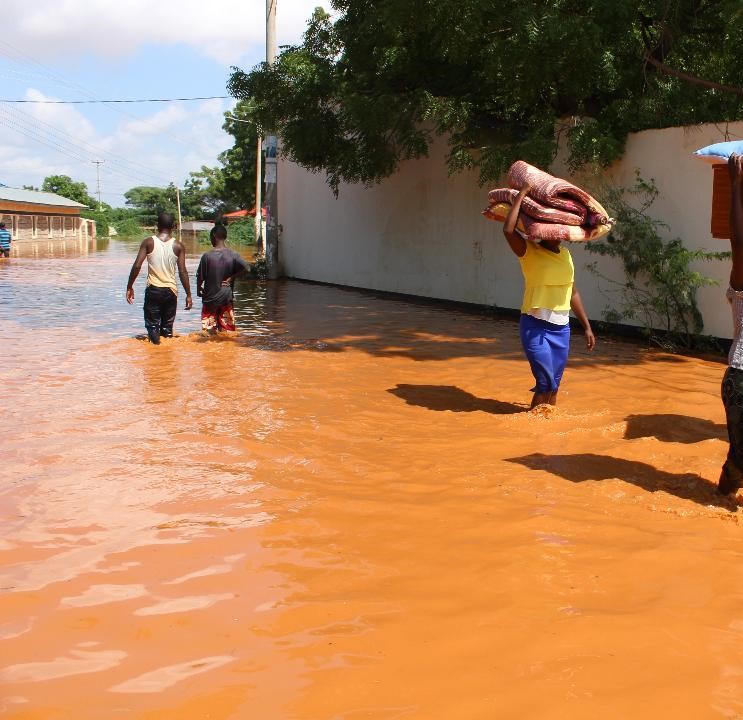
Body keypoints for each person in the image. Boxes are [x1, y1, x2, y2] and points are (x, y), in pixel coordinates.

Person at [502, 184, 596, 409]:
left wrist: (587, 326)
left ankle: (546, 428)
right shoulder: (529, 251)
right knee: (544, 382)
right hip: (535, 326)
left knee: (554, 384)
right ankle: (531, 426)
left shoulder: (566, 256)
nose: (559, 234)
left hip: (561, 329)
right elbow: (508, 231)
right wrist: (522, 195)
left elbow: (572, 291)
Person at [125, 212, 192, 344]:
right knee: (167, 329)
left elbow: (137, 265)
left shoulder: (149, 242)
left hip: (153, 290)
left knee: (152, 326)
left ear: (157, 225)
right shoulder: (178, 246)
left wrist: (129, 286)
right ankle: (166, 358)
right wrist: (188, 294)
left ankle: (155, 354)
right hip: (171, 291)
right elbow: (183, 272)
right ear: (173, 226)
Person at [718, 154, 743, 495]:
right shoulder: (741, 284)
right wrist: (736, 185)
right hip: (742, 381)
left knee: (739, 459)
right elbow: (738, 243)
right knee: (741, 459)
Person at [196, 223, 249, 332]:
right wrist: (231, 278)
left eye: (211, 236)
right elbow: (247, 268)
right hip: (226, 298)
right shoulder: (234, 255)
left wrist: (198, 289)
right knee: (227, 332)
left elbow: (200, 278)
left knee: (208, 333)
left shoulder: (207, 256)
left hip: (210, 299)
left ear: (214, 236)